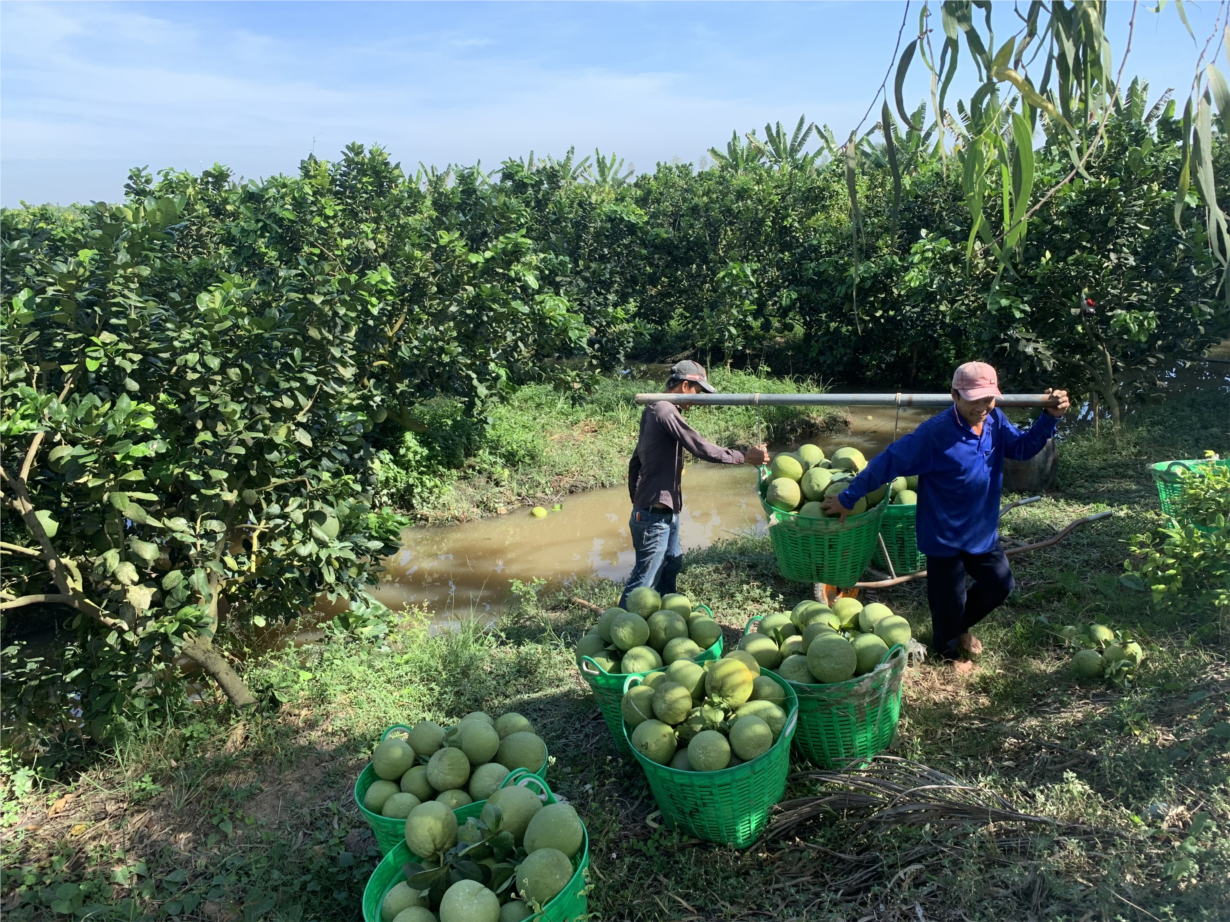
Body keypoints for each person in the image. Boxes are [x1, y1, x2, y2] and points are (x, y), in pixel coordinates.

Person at [821, 362, 1070, 672]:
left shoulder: (994, 419)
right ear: (955, 395)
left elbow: (1021, 448)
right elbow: (888, 463)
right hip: (943, 536)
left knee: (1000, 584)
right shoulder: (934, 434)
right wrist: (848, 497)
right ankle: (949, 654)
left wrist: (1050, 418)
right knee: (947, 601)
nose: (982, 407)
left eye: (988, 399)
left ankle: (956, 629)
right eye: (974, 399)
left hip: (981, 531)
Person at [620, 361, 769, 608]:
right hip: (654, 515)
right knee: (644, 581)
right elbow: (699, 446)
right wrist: (744, 456)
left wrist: (637, 501)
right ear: (685, 385)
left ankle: (662, 619)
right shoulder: (665, 410)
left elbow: (635, 460)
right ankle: (619, 630)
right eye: (696, 392)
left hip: (665, 512)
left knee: (671, 565)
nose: (697, 400)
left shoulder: (653, 409)